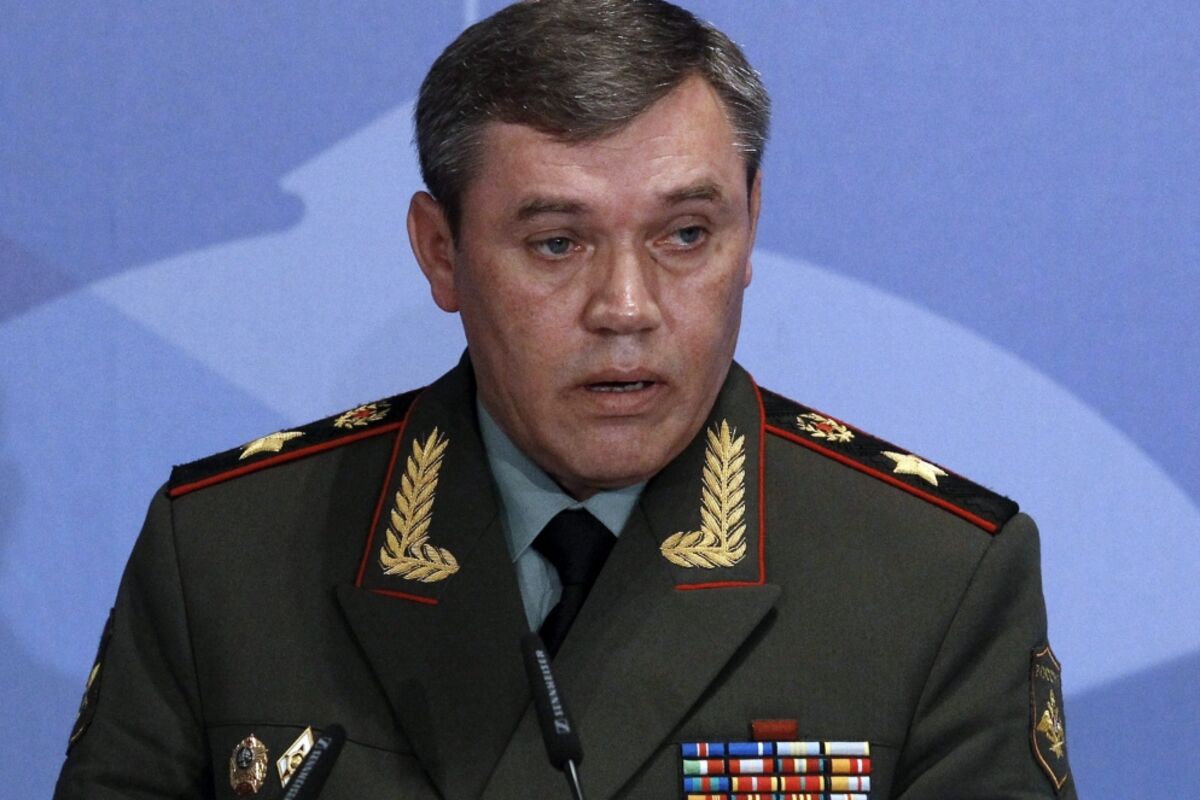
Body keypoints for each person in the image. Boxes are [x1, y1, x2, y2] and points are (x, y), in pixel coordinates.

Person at [54, 1, 1074, 798]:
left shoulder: (933, 579)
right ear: (441, 251)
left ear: (751, 227)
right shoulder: (225, 555)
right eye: (556, 243)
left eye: (686, 235)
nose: (626, 307)